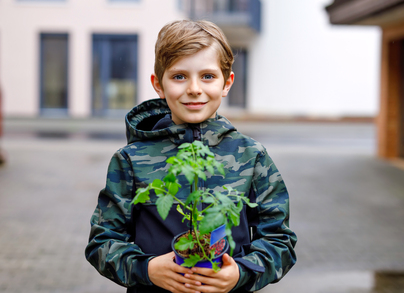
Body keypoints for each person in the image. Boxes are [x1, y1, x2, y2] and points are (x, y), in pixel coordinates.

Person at [85, 20, 297, 293]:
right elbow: (101, 243)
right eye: (179, 76)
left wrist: (240, 274)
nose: (194, 88)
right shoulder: (130, 160)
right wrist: (146, 269)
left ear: (227, 82)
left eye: (207, 76)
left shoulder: (251, 155)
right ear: (158, 85)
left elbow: (280, 241)